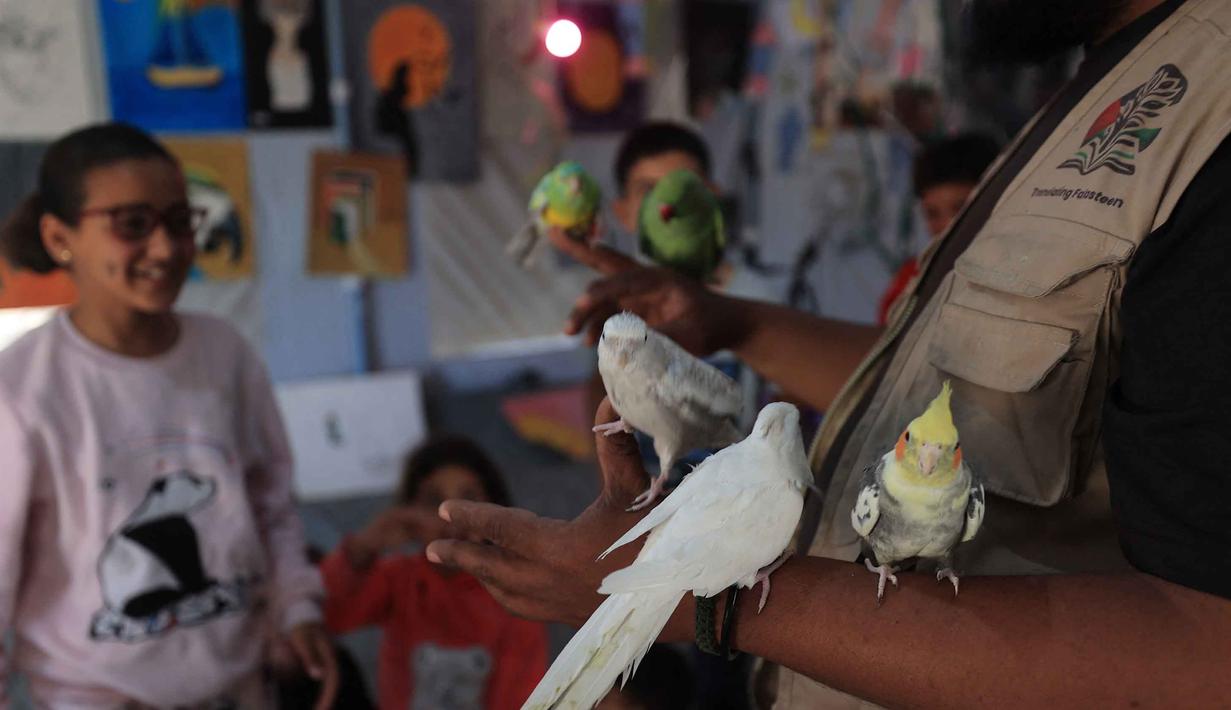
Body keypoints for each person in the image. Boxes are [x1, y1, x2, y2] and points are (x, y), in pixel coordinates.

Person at [427, 0, 1231, 707]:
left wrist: (706, 588)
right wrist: (729, 323)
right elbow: (962, 385)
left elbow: (1207, 655)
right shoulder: (1111, 78)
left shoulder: (1210, 126)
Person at [0, 123, 336, 708]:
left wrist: (296, 607)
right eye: (132, 224)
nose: (165, 247)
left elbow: (270, 504)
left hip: (239, 685)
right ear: (60, 237)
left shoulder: (224, 352)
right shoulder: (22, 389)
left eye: (181, 221)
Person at [320, 435, 548, 710]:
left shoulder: (514, 594)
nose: (451, 516)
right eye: (432, 501)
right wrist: (364, 547)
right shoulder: (399, 579)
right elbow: (329, 614)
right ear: (408, 514)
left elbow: (520, 697)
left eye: (469, 498)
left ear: (496, 509)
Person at [877, 133, 1001, 326]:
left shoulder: (1017, 273)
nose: (948, 225)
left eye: (960, 209)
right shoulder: (911, 282)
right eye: (933, 214)